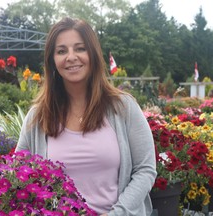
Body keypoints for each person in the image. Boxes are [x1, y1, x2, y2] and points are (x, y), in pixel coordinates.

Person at [15, 17, 157, 216]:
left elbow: (145, 169)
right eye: (61, 51)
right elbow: (18, 173)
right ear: (52, 61)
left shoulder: (123, 108)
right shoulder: (38, 117)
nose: (71, 57)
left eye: (80, 48)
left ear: (93, 53)